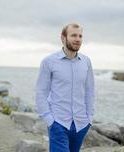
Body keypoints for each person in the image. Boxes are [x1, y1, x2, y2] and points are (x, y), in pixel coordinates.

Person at [36, 23, 95, 152]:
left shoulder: (86, 61)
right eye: (73, 35)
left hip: (81, 124)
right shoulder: (49, 61)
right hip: (58, 123)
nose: (78, 39)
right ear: (63, 38)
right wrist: (50, 120)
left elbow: (90, 91)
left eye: (80, 36)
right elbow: (41, 92)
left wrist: (89, 118)